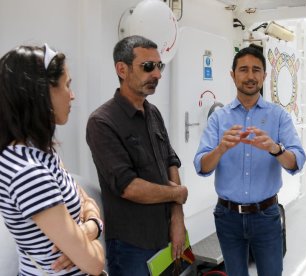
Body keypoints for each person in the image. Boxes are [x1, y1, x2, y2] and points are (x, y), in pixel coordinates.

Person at [193, 46, 306, 276]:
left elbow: (297, 162)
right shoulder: (219, 118)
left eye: (256, 70)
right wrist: (221, 148)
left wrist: (275, 149)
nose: (250, 76)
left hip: (266, 215)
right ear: (233, 75)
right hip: (227, 216)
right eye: (243, 69)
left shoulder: (279, 116)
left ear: (264, 76)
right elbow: (201, 166)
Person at [86, 35, 188, 276]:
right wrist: (178, 194)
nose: (157, 74)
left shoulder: (153, 113)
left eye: (159, 66)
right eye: (148, 67)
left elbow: (170, 161)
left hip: (167, 236)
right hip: (132, 247)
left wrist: (177, 217)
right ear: (122, 69)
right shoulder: (102, 123)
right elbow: (129, 187)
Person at [0, 44, 105, 275]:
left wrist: (91, 228)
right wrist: (93, 233)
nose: (72, 94)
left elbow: (84, 197)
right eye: (67, 84)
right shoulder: (28, 172)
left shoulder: (40, 151)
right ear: (40, 94)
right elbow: (94, 264)